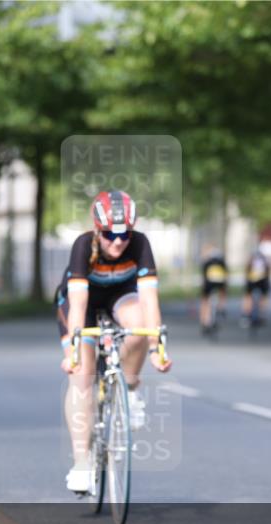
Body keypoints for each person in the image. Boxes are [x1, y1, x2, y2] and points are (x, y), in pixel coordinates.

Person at [55, 191, 172, 493]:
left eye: (124, 234)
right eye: (109, 234)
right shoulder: (83, 246)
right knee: (82, 376)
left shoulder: (141, 244)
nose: (118, 241)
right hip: (83, 303)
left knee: (141, 326)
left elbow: (150, 301)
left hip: (121, 295)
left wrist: (158, 349)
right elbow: (79, 305)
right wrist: (75, 354)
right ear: (97, 230)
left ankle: (130, 389)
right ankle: (82, 463)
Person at [199, 244, 228, 336]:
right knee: (222, 292)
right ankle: (221, 308)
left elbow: (203, 276)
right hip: (220, 282)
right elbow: (226, 274)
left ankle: (204, 322)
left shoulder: (207, 262)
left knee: (205, 301)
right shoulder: (221, 261)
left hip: (209, 283)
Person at [241, 244, 271, 328]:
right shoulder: (264, 258)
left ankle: (246, 315)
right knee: (264, 296)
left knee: (248, 296)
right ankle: (262, 314)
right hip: (263, 279)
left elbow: (247, 268)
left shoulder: (252, 257)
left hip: (251, 279)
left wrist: (247, 277)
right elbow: (269, 269)